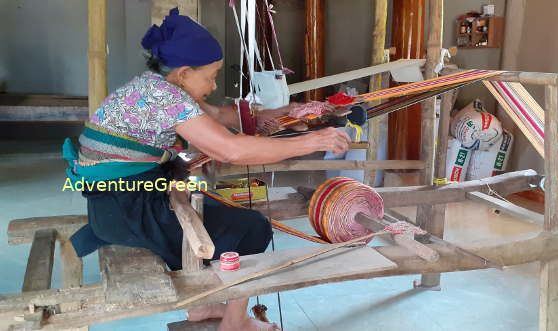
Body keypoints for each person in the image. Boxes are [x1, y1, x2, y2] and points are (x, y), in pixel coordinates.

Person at [63, 8, 350, 331]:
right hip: (133, 213)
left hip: (117, 206)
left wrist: (289, 110)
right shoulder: (166, 98)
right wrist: (313, 140)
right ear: (185, 73)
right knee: (252, 228)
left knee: (215, 211)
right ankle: (234, 323)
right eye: (210, 76)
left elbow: (220, 116)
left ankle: (203, 309)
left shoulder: (154, 86)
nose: (213, 85)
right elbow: (231, 149)